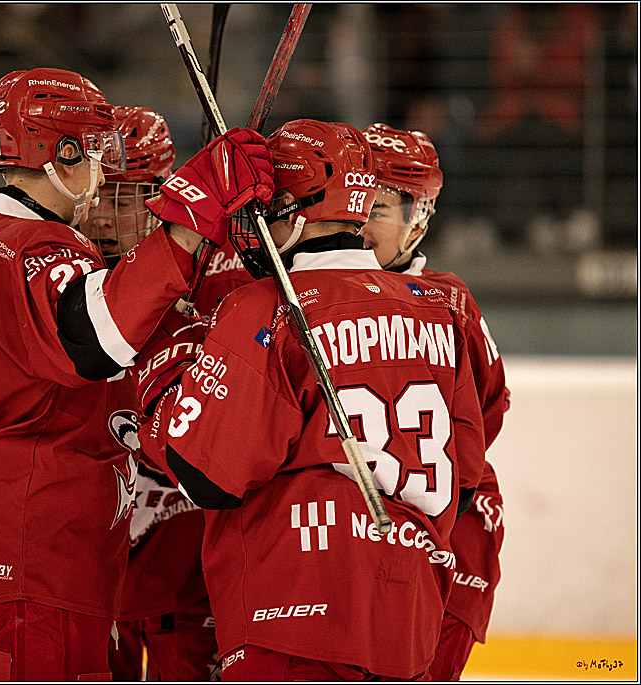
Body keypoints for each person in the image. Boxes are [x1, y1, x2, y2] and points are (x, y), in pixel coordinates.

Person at [0, 68, 274, 681]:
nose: (102, 181)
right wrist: (186, 223)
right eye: (94, 151)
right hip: (34, 561)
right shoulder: (39, 248)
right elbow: (93, 339)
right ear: (60, 154)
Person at [135, 119, 487, 681]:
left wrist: (164, 372)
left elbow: (205, 475)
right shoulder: (439, 311)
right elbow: (466, 479)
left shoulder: (268, 307)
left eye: (262, 208)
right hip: (407, 623)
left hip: (291, 620)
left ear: (295, 211)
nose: (251, 224)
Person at [360, 122, 510, 680]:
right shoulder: (312, 294)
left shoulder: (449, 301)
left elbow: (488, 408)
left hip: (453, 525)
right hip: (354, 537)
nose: (359, 223)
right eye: (353, 203)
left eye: (378, 209)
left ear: (418, 219)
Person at [82, 105, 218, 681]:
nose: (102, 216)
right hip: (90, 567)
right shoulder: (62, 279)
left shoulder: (218, 277)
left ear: (162, 197)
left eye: (122, 198)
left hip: (183, 569)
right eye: (97, 195)